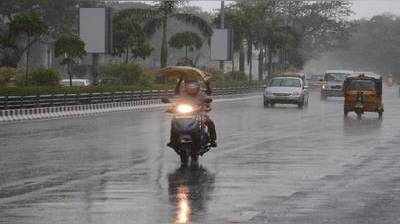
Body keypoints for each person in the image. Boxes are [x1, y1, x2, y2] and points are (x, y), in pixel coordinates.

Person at [168, 79, 217, 149]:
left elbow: (208, 95)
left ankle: (212, 140)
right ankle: (172, 140)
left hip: (199, 113)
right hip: (183, 114)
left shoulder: (201, 93)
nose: (191, 87)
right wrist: (172, 106)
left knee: (210, 122)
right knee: (173, 122)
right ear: (186, 86)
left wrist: (207, 85)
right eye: (189, 85)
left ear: (197, 86)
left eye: (193, 86)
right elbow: (176, 97)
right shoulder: (183, 93)